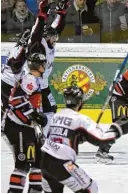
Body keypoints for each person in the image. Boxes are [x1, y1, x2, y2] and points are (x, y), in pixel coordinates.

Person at [40, 86, 128, 192]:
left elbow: (56, 136)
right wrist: (118, 128)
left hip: (44, 161)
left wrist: (78, 138)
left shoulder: (56, 116)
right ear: (79, 102)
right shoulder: (80, 119)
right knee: (91, 189)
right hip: (63, 163)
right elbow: (101, 139)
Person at [3, 53, 48, 193]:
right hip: (17, 127)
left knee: (37, 162)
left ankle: (35, 191)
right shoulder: (30, 80)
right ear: (38, 65)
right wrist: (34, 114)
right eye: (43, 63)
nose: (45, 66)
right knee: (22, 164)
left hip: (27, 126)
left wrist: (36, 116)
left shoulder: (34, 79)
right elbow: (16, 101)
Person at [23, 0, 69, 136]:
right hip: (32, 86)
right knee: (35, 113)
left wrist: (61, 12)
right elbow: (37, 31)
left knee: (51, 109)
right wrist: (43, 13)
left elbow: (56, 28)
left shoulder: (50, 41)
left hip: (43, 85)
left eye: (56, 37)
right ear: (46, 37)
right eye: (53, 37)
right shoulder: (38, 43)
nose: (55, 40)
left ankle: (45, 136)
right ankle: (33, 136)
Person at [1, 29, 31, 120]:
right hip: (7, 83)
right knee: (6, 106)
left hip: (7, 81)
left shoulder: (17, 49)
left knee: (8, 105)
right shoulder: (18, 51)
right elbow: (15, 68)